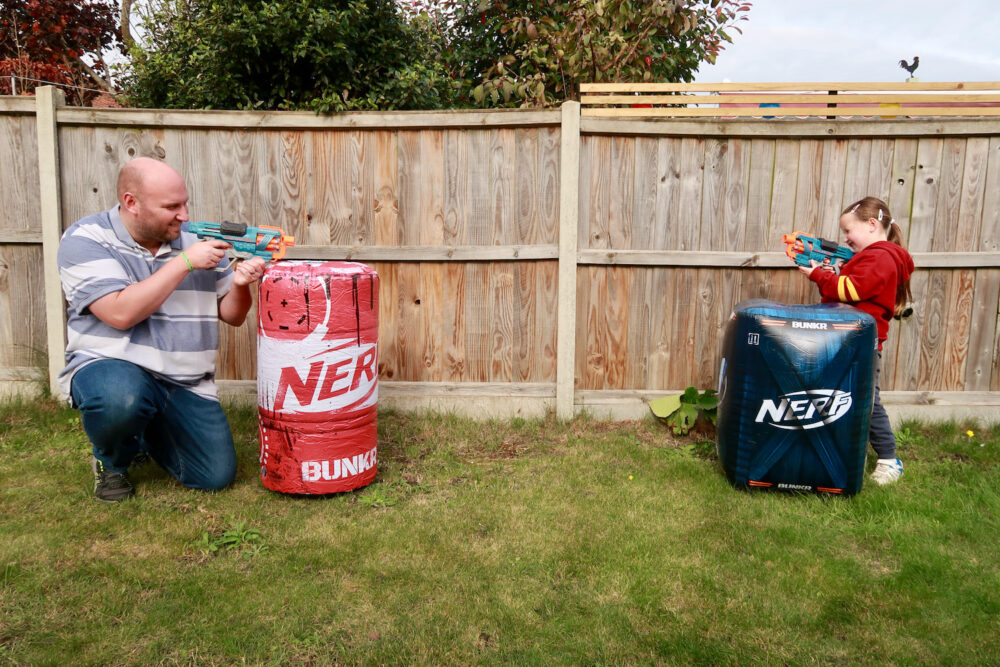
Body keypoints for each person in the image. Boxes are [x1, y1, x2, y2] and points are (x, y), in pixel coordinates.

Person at [57, 157, 266, 502]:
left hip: (184, 380)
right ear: (131, 203)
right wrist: (184, 263)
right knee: (119, 398)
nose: (184, 215)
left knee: (215, 476)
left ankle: (143, 431)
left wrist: (241, 284)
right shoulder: (86, 239)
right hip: (112, 366)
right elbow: (120, 313)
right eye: (172, 206)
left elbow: (232, 316)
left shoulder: (195, 240)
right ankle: (111, 462)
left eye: (185, 203)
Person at [795, 196, 915, 486]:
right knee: (840, 397)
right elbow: (854, 286)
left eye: (849, 231)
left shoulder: (881, 257)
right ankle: (847, 451)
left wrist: (819, 276)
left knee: (868, 402)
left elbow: (851, 290)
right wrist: (830, 272)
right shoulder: (874, 257)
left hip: (862, 345)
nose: (846, 239)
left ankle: (889, 459)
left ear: (872, 225)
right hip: (849, 340)